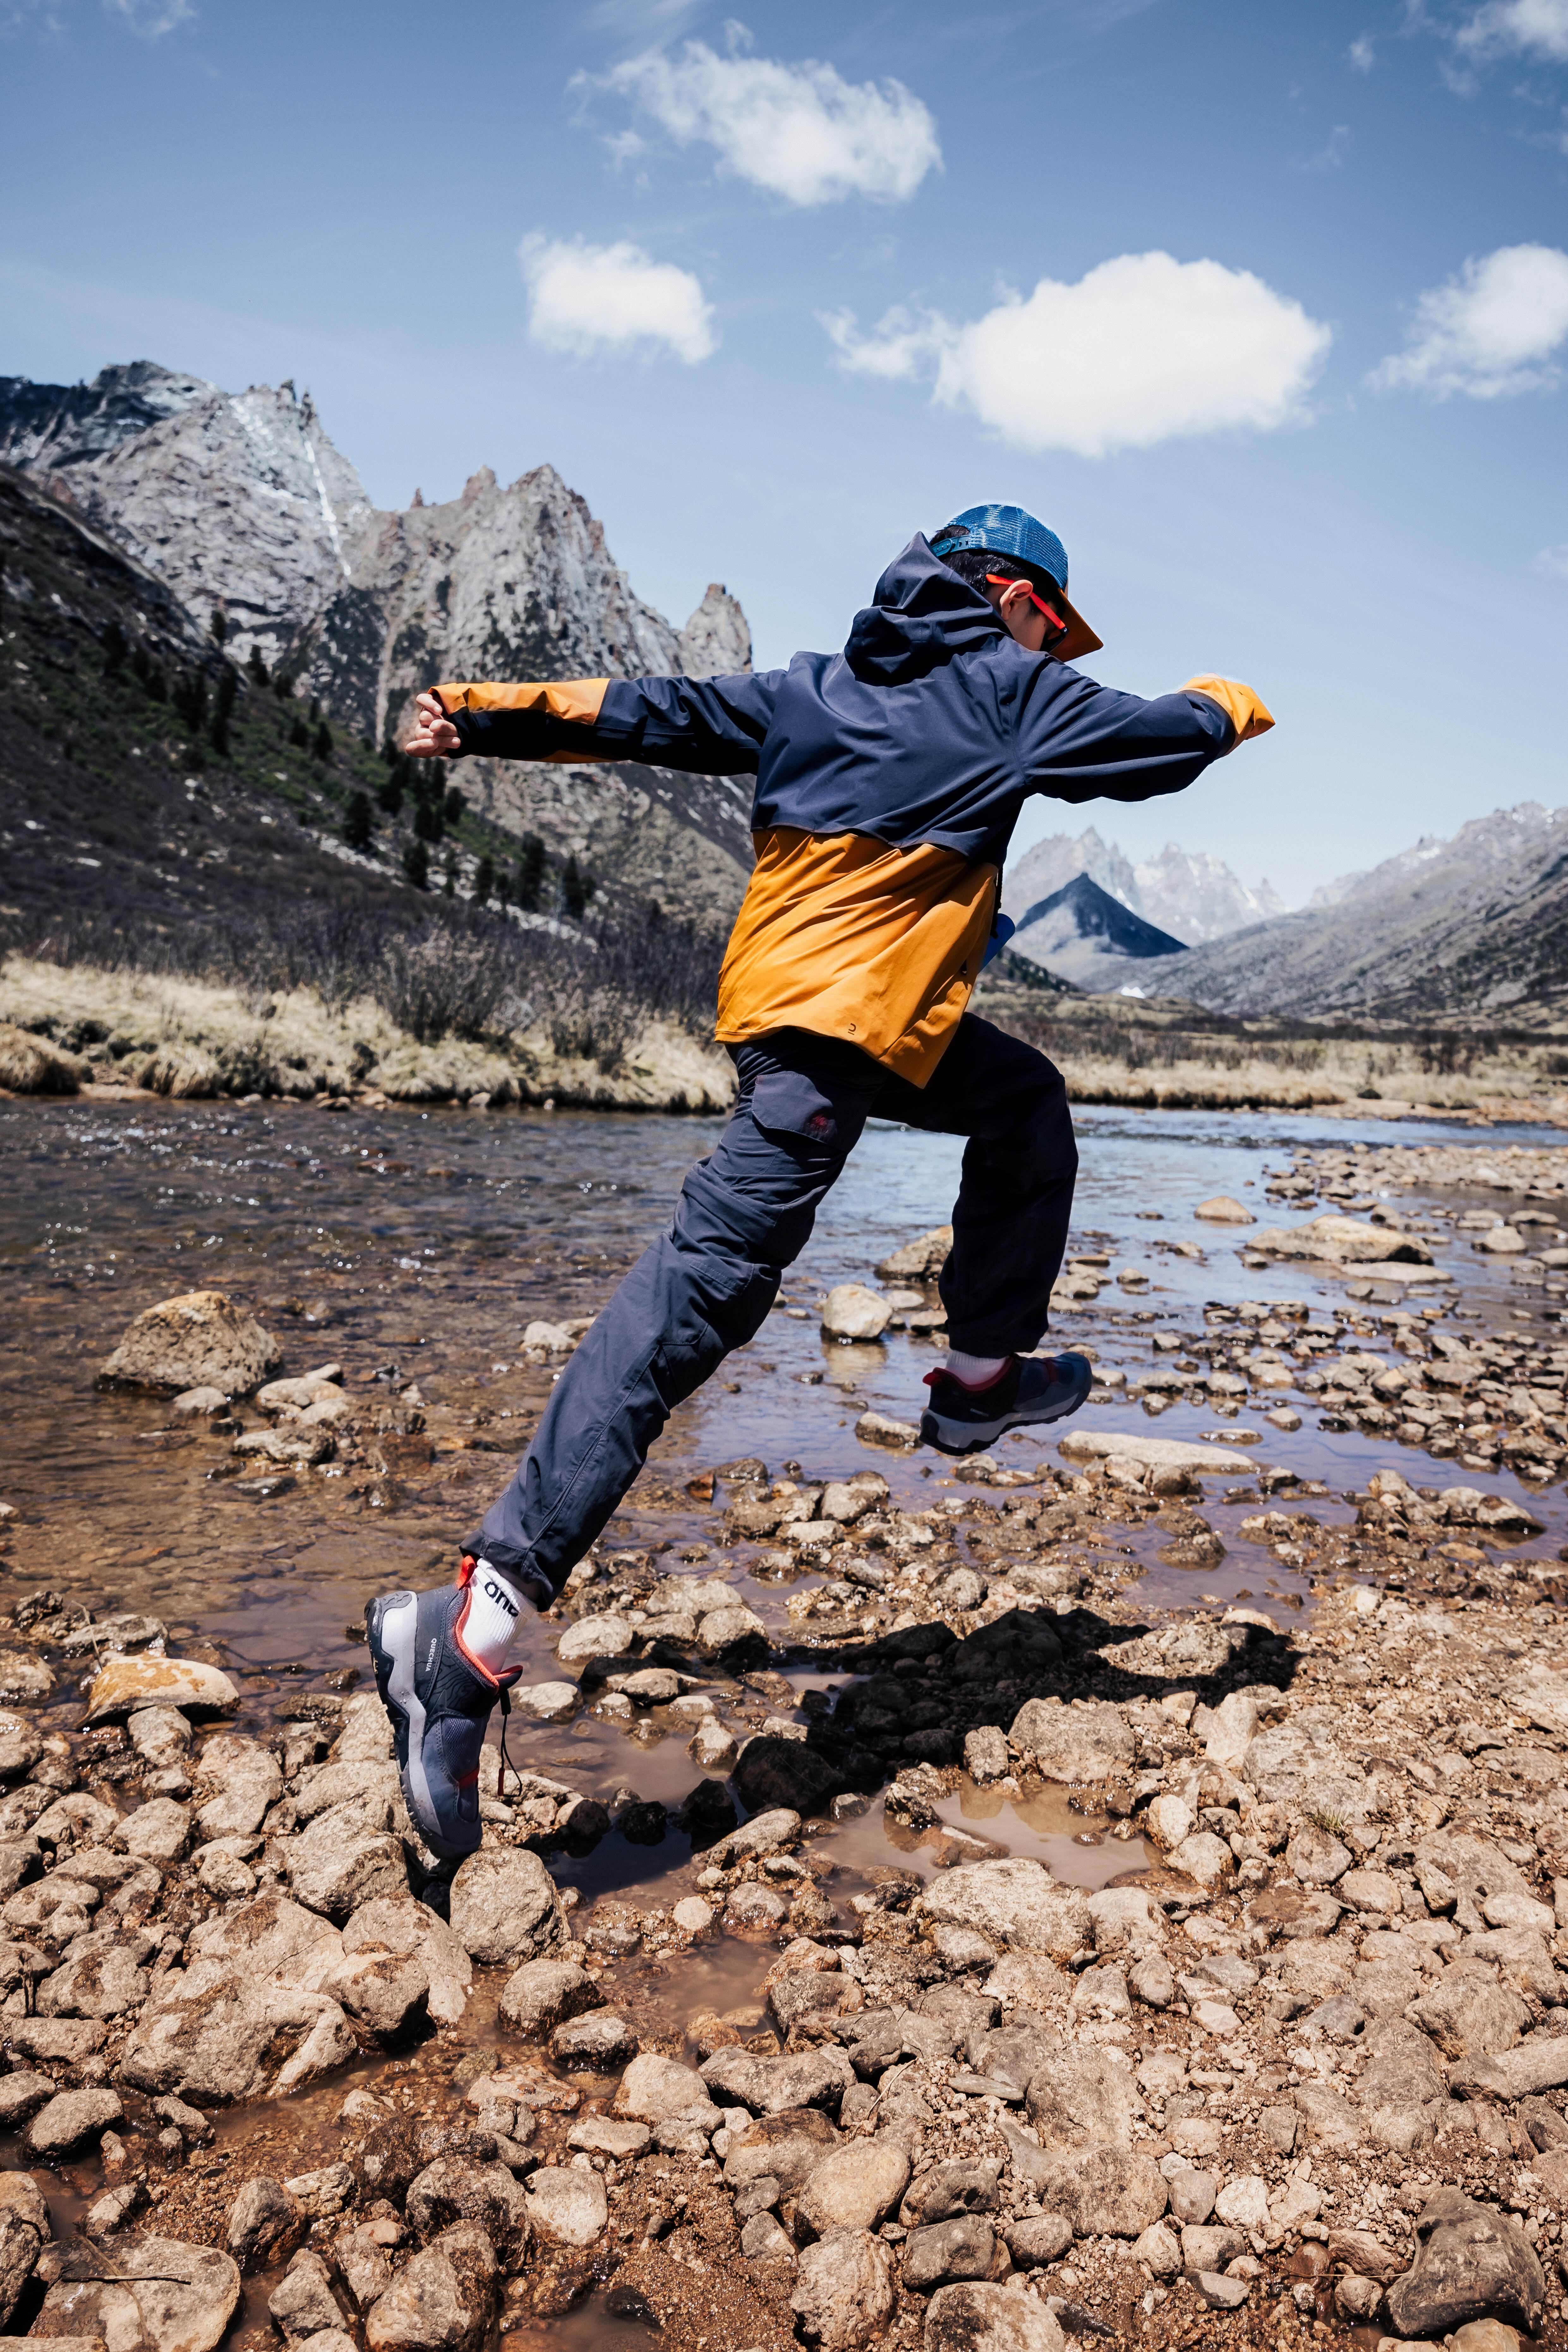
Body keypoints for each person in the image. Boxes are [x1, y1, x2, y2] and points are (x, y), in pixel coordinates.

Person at [368, 504, 1273, 1859]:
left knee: (1022, 1100)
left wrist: (474, 713)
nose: (1056, 644)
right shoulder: (1011, 689)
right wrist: (1234, 697)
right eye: (1053, 622)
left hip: (824, 1029)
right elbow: (1160, 744)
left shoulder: (809, 686)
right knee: (690, 1308)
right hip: (826, 1057)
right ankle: (471, 1619)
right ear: (1014, 598)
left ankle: (978, 1382)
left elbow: (638, 710)